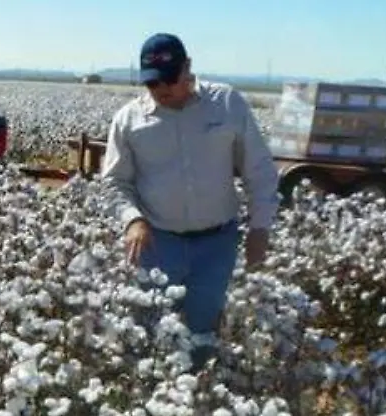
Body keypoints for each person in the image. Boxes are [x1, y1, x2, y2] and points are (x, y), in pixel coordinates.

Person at [100, 33, 279, 366]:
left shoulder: (227, 104)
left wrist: (260, 229)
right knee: (150, 330)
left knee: (201, 333)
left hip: (216, 244)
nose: (163, 89)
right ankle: (151, 396)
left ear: (188, 68)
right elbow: (114, 181)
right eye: (154, 84)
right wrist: (132, 219)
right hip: (157, 242)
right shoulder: (129, 121)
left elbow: (259, 170)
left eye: (170, 79)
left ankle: (198, 399)